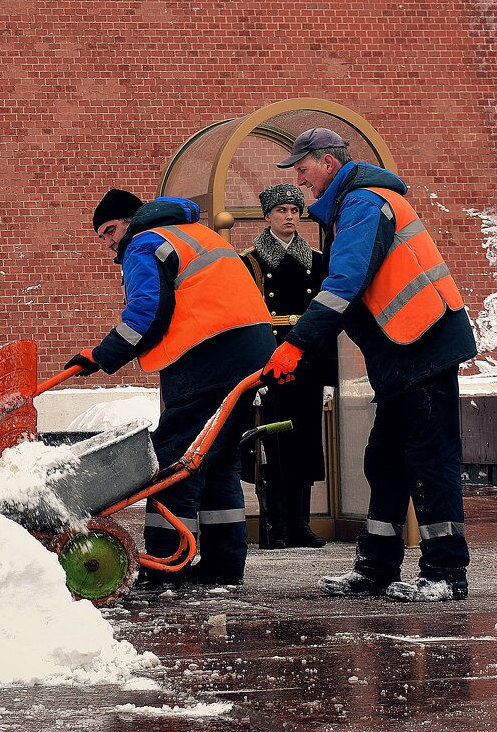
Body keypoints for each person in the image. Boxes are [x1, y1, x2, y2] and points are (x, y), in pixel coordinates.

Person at [269, 127, 476, 602]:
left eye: (302, 171)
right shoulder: (350, 208)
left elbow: (345, 283)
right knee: (384, 460)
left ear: (328, 164)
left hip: (424, 344)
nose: (300, 184)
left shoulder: (364, 202)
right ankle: (377, 567)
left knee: (429, 460)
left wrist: (297, 343)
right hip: (404, 350)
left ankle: (446, 571)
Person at [66, 189, 275, 588]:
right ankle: (223, 565)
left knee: (173, 461)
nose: (109, 242)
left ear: (132, 219)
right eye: (102, 237)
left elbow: (146, 312)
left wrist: (99, 356)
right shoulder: (191, 233)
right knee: (216, 459)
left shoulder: (145, 242)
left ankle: (163, 565)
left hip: (209, 356)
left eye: (110, 230)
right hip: (248, 352)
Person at [240, 183, 331, 549]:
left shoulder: (317, 259)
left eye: (295, 211)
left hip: (307, 357)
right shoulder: (251, 261)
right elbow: (248, 317)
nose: (290, 217)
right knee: (273, 442)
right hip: (273, 356)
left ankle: (300, 523)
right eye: (282, 211)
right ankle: (273, 524)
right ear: (268, 216)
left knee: (306, 440)